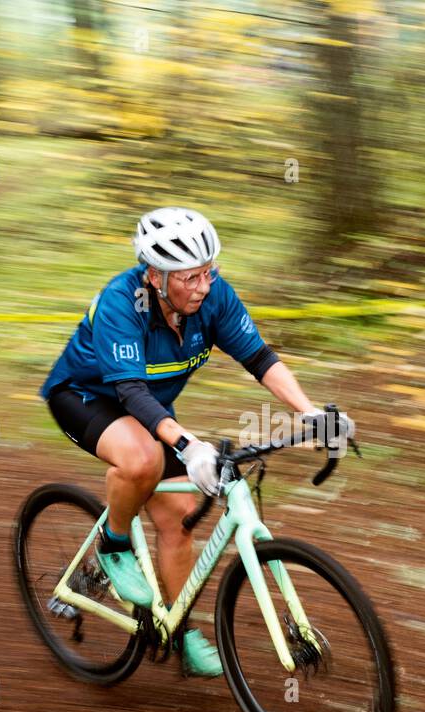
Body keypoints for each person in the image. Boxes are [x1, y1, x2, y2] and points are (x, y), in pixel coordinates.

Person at [39, 207, 355, 677]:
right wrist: (188, 446)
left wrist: (309, 412)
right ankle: (113, 543)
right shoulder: (120, 304)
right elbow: (130, 394)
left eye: (209, 272)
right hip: (87, 397)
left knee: (181, 517)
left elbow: (259, 357)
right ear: (155, 275)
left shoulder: (212, 298)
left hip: (148, 408)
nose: (203, 286)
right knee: (142, 459)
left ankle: (179, 627)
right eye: (190, 278)